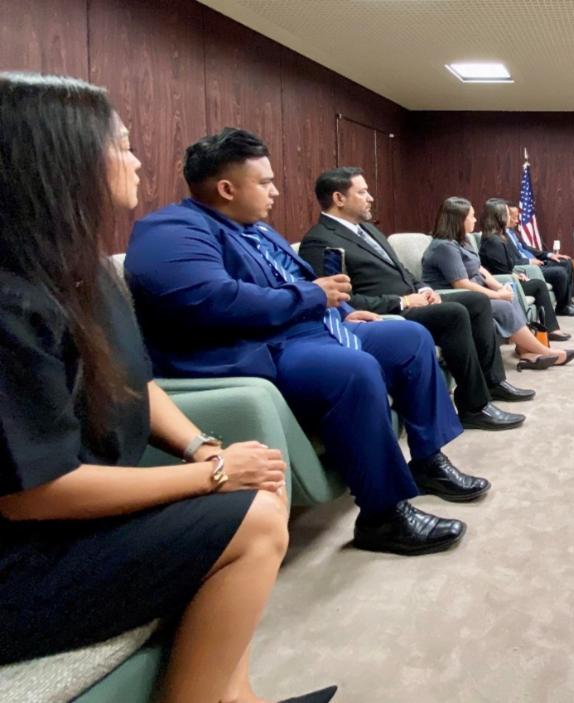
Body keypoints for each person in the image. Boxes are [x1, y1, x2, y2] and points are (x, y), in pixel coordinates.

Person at [0, 73, 335, 703]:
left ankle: (235, 695)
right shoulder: (11, 303)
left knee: (252, 492)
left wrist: (202, 448)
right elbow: (33, 495)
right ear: (59, 160)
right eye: (121, 145)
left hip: (77, 523)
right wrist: (209, 477)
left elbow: (135, 382)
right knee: (256, 521)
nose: (137, 159)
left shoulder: (84, 271)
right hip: (23, 560)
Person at [125, 129, 487, 557]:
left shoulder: (258, 231)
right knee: (352, 370)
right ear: (226, 188)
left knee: (408, 336)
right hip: (262, 346)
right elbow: (214, 301)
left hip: (313, 329)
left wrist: (341, 311)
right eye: (264, 182)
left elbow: (298, 284)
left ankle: (426, 461)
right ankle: (383, 515)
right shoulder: (170, 230)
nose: (275, 191)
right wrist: (316, 297)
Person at [298, 167, 530, 431]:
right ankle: (474, 407)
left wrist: (422, 289)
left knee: (476, 302)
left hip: (415, 300)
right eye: (362, 192)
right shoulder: (319, 241)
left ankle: (493, 383)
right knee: (453, 313)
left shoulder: (368, 230)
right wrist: (403, 302)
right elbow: (340, 302)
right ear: (339, 198)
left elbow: (403, 270)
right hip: (388, 313)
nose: (370, 197)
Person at [422, 196, 574, 370]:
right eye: (471, 216)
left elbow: (480, 269)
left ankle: (526, 350)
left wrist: (500, 287)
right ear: (459, 219)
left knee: (510, 298)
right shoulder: (445, 247)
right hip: (453, 297)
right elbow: (462, 285)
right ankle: (545, 352)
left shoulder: (462, 241)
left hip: (474, 292)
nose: (475, 220)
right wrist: (497, 295)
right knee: (503, 305)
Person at [478, 198, 572, 341]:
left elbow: (504, 267)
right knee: (538, 285)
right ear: (499, 216)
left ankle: (550, 328)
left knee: (539, 283)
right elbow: (499, 271)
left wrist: (516, 274)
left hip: (508, 278)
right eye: (508, 214)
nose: (511, 217)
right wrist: (514, 276)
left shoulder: (499, 237)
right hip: (500, 284)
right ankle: (551, 329)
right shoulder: (493, 241)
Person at [503, 201, 574, 317]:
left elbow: (527, 249)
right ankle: (563, 307)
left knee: (567, 262)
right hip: (528, 268)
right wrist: (529, 261)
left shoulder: (513, 232)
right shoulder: (501, 236)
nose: (517, 220)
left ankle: (567, 303)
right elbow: (509, 260)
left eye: (517, 216)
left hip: (537, 263)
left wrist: (550, 255)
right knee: (560, 272)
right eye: (513, 217)